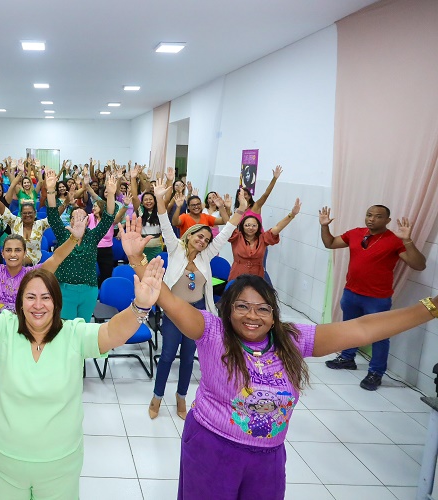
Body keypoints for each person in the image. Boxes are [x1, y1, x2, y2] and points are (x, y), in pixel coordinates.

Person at [121, 217, 438, 500]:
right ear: (227, 311)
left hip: (268, 457)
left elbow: (362, 327)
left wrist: (430, 307)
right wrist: (136, 258)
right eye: (241, 307)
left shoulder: (291, 338)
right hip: (212, 447)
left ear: (274, 315)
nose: (252, 316)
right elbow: (165, 297)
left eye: (262, 308)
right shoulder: (212, 331)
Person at [0, 230, 163, 499]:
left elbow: (111, 333)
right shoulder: (3, 328)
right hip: (5, 461)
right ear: (19, 302)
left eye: (46, 297)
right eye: (30, 297)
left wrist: (140, 307)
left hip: (60, 465)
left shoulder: (74, 333)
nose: (38, 305)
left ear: (57, 302)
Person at [0, 194, 86, 402]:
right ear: (2, 253)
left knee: (18, 391)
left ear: (24, 254)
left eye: (18, 250)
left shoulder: (32, 275)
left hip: (23, 336)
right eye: (9, 250)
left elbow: (56, 258)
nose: (13, 254)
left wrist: (74, 238)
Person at [146, 185, 245, 420]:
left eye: (206, 239)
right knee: (168, 355)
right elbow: (165, 222)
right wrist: (161, 199)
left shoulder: (206, 256)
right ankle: (157, 397)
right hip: (173, 311)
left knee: (189, 357)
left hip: (198, 312)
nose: (203, 241)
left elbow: (225, 233)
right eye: (199, 236)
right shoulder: (175, 249)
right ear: (189, 236)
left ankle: (181, 397)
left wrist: (239, 210)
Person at [319, 205, 426, 390]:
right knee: (349, 328)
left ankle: (376, 372)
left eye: (378, 216)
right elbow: (330, 243)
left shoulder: (394, 240)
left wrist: (408, 241)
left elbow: (419, 265)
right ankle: (347, 358)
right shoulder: (355, 233)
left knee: (380, 336)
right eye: (369, 215)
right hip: (351, 292)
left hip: (377, 298)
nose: (372, 219)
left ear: (387, 220)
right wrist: (324, 226)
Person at [46, 170, 116, 321]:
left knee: (82, 329)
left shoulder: (93, 236)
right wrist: (51, 190)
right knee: (65, 330)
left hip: (88, 291)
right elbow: (52, 216)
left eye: (82, 218)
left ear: (88, 221)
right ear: (69, 221)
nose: (77, 221)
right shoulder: (63, 235)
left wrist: (111, 194)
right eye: (74, 217)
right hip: (64, 290)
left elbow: (109, 217)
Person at [227, 198, 301, 281]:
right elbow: (228, 225)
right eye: (247, 225)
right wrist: (224, 208)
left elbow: (278, 227)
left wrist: (292, 214)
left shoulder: (263, 238)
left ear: (258, 227)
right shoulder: (236, 237)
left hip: (257, 280)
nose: (250, 228)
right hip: (237, 279)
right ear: (242, 226)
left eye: (254, 225)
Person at [129, 166, 163, 260]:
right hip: (141, 247)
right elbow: (134, 197)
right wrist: (133, 178)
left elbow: (167, 199)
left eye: (150, 199)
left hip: (157, 248)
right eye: (146, 200)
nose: (148, 201)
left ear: (155, 201)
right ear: (142, 202)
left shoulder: (159, 211)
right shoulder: (140, 210)